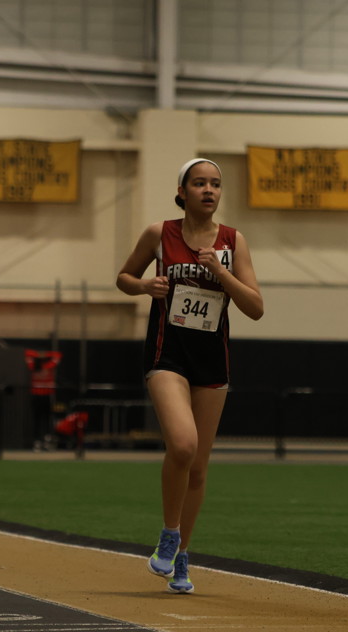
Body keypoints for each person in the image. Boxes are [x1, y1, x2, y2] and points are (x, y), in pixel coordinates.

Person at [116, 158, 263, 593]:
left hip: (212, 361)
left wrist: (221, 272)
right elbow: (124, 277)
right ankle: (169, 532)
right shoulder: (159, 234)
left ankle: (182, 555)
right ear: (182, 192)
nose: (208, 190)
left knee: (198, 468)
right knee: (182, 444)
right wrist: (144, 286)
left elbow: (255, 307)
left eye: (215, 184)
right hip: (168, 355)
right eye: (199, 183)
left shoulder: (233, 241)